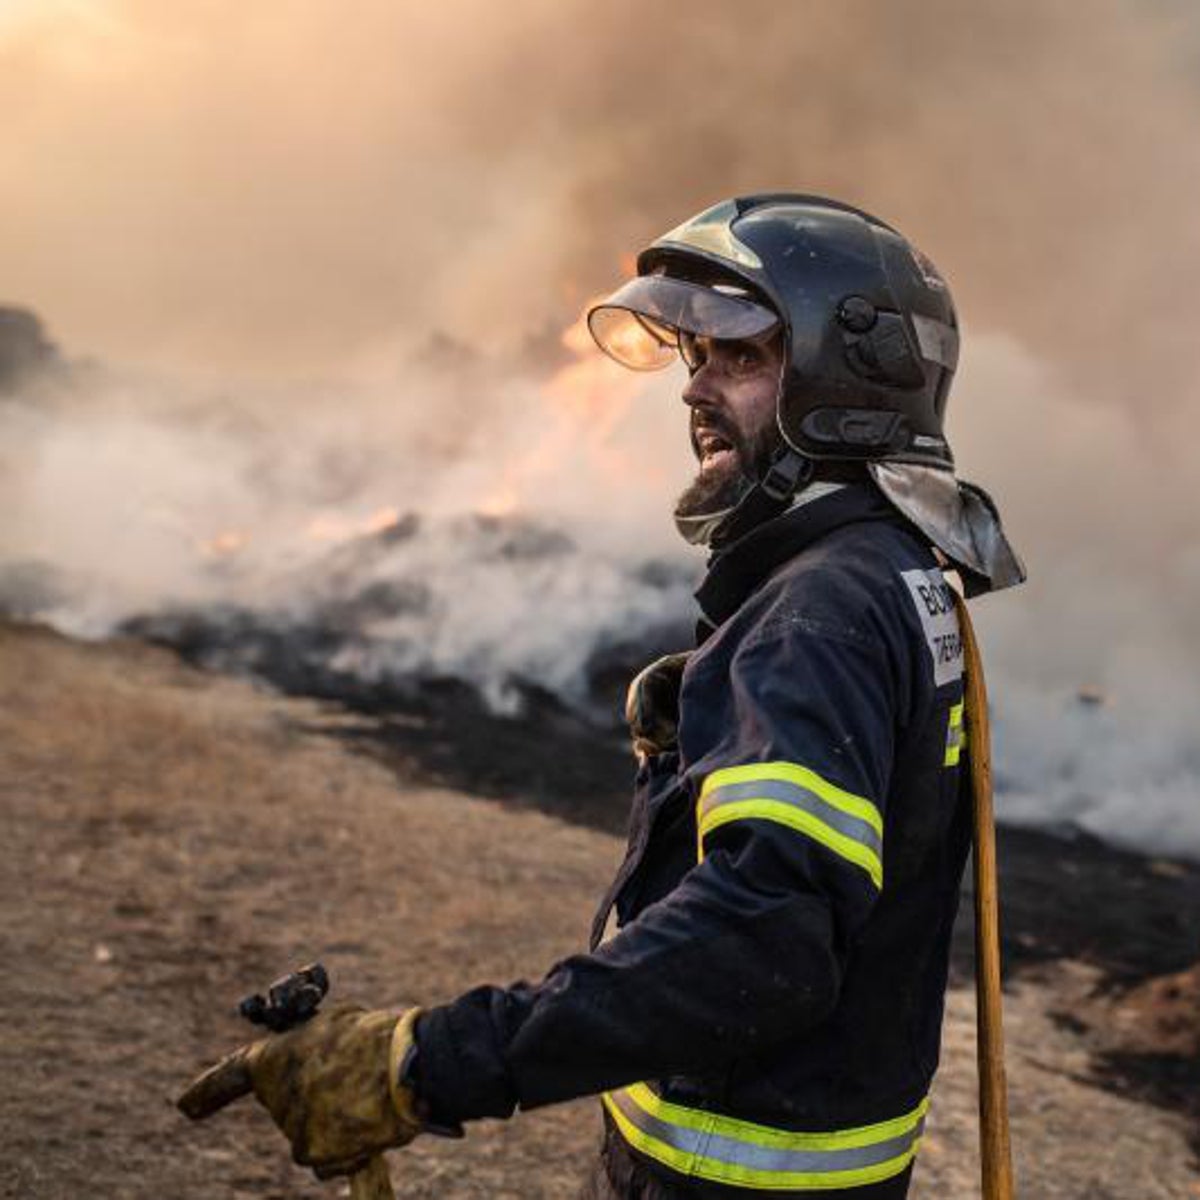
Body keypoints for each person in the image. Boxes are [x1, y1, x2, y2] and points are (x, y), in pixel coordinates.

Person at [180, 194, 1025, 1200]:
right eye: (693, 356)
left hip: (720, 1172)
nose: (695, 389)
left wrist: (426, 1063)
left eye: (739, 359)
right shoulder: (895, 565)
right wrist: (710, 729)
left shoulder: (819, 610)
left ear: (847, 383)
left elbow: (761, 940)